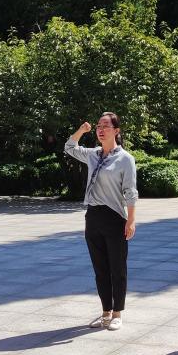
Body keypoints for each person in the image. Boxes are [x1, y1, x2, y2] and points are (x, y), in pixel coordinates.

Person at [64, 113, 138, 331]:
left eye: (106, 126)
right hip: (93, 216)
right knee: (100, 269)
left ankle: (117, 313)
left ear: (116, 131)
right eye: (98, 126)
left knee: (117, 268)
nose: (101, 130)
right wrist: (81, 130)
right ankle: (105, 312)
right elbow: (69, 147)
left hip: (115, 217)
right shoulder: (92, 155)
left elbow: (130, 192)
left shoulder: (125, 159)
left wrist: (131, 220)